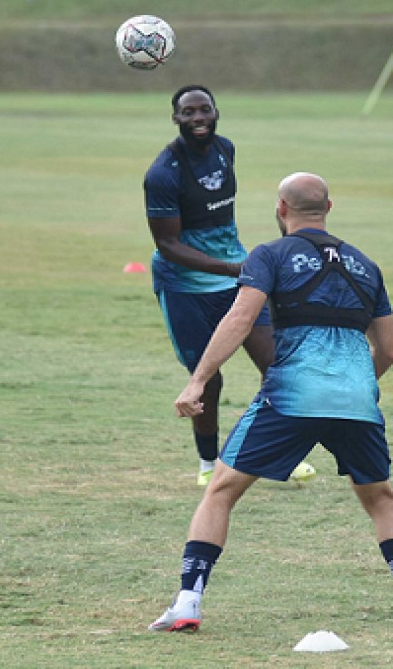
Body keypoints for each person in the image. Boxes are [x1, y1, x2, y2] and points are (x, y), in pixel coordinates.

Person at [149, 172, 393, 632]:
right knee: (380, 497)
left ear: (281, 208)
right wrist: (356, 385)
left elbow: (241, 318)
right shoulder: (366, 265)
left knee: (221, 490)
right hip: (357, 401)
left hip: (292, 398)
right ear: (329, 208)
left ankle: (187, 603)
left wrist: (198, 381)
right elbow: (388, 350)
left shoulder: (269, 255)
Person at [143, 85, 286, 487]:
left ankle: (273, 454)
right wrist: (232, 268)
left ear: (216, 112)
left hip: (236, 276)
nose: (198, 118)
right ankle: (209, 465)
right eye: (188, 112)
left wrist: (237, 268)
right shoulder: (163, 174)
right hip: (186, 286)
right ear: (176, 118)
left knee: (276, 367)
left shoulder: (226, 149)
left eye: (204, 109)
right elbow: (168, 245)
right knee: (209, 379)